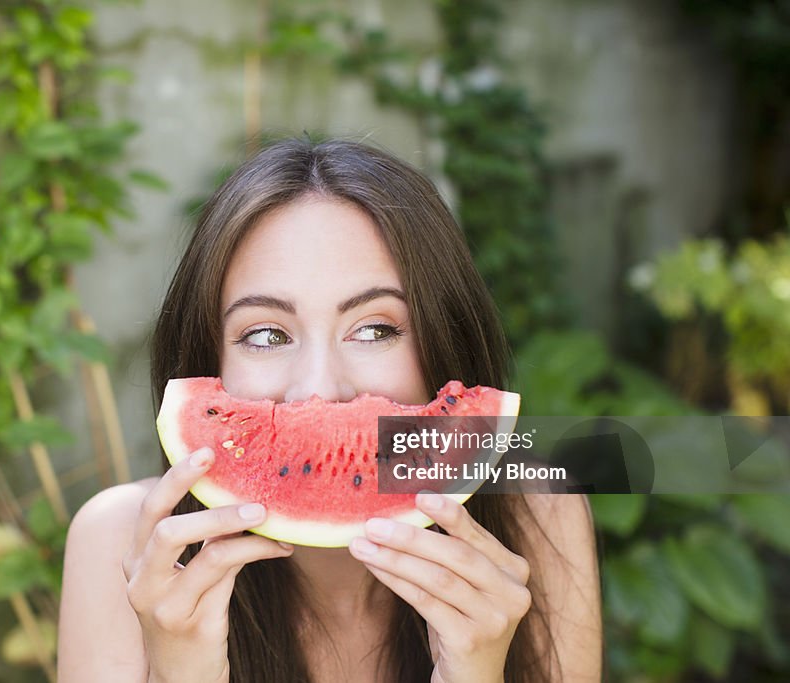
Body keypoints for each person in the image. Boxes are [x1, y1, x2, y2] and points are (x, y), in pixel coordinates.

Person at [57, 138, 601, 682]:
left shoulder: (540, 516)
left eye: (375, 329)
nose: (318, 391)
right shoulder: (117, 546)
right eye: (266, 334)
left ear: (445, 342)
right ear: (207, 360)